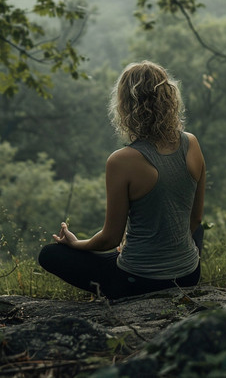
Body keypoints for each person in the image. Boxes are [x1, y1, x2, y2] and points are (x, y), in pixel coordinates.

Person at [38, 60, 206, 300]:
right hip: (189, 274)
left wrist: (76, 244)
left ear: (126, 106)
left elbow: (110, 238)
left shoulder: (122, 161)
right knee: (193, 231)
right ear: (169, 98)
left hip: (138, 282)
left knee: (49, 254)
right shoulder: (192, 143)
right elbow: (196, 218)